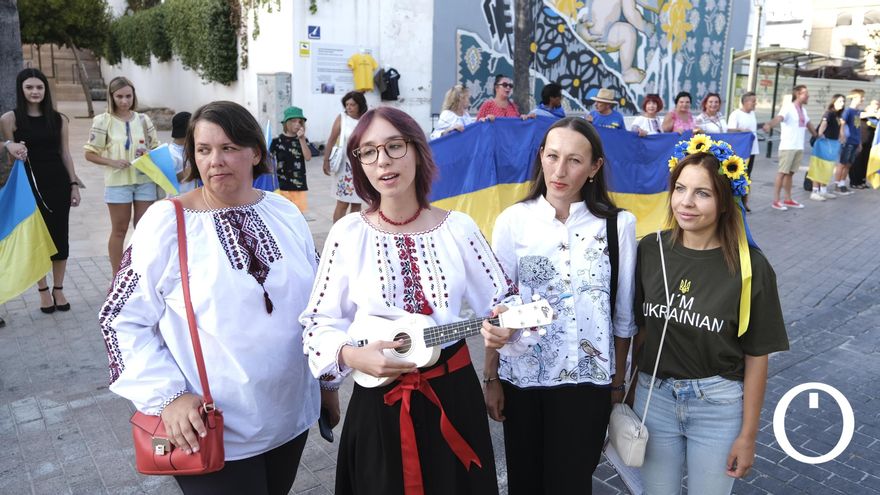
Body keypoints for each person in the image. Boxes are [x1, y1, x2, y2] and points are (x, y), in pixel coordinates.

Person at [100, 101, 326, 494]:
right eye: (204, 150)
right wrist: (168, 397)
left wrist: (326, 387)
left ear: (255, 152)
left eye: (229, 148)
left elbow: (319, 304)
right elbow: (120, 318)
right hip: (212, 428)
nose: (216, 160)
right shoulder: (166, 223)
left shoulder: (285, 213)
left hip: (290, 417)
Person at [300, 106, 515, 495]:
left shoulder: (458, 229)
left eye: (394, 146)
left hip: (452, 396)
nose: (382, 161)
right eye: (368, 151)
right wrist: (350, 355)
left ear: (417, 150)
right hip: (377, 402)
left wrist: (506, 323)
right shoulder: (347, 233)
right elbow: (318, 323)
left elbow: (504, 303)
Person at [484, 117, 637, 494]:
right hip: (523, 380)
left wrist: (617, 385)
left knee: (571, 482)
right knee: (526, 483)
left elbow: (622, 317)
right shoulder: (513, 222)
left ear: (594, 167)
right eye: (552, 156)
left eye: (574, 160)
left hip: (588, 384)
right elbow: (496, 309)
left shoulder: (618, 226)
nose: (560, 170)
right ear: (541, 157)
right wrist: (491, 378)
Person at [632, 136, 789, 495]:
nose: (686, 202)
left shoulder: (751, 266)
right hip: (653, 400)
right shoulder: (649, 250)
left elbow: (757, 356)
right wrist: (626, 394)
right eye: (680, 189)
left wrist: (748, 436)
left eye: (702, 193)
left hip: (717, 407)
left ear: (724, 202)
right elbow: (640, 330)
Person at [1, 68, 80, 313]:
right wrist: (8, 144)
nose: (35, 92)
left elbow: (65, 153)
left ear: (46, 90)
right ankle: (43, 291)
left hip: (57, 182)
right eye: (29, 87)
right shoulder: (9, 119)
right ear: (21, 90)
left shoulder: (58, 119)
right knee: (37, 238)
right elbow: (6, 147)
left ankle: (59, 288)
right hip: (28, 187)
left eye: (39, 87)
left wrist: (73, 184)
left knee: (59, 237)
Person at [84, 76, 160, 274]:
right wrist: (113, 162)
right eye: (119, 96)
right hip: (117, 183)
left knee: (144, 231)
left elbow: (156, 149)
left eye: (128, 96)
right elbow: (90, 153)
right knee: (119, 230)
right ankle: (117, 278)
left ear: (133, 96)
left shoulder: (144, 120)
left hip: (145, 181)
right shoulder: (103, 121)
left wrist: (147, 154)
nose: (124, 101)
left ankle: (141, 273)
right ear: (112, 96)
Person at [763, 85, 817, 211]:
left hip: (798, 146)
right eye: (805, 93)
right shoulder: (788, 108)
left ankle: (788, 199)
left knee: (790, 174)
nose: (808, 96)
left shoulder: (803, 110)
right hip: (788, 146)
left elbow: (808, 123)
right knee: (782, 173)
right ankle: (776, 201)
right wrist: (769, 125)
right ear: (798, 94)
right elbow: (779, 118)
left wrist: (817, 135)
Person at [323, 91, 366, 223]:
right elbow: (331, 140)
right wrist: (326, 160)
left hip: (362, 167)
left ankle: (353, 233)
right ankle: (337, 234)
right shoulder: (342, 118)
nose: (349, 107)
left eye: (352, 104)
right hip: (345, 167)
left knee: (357, 204)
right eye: (347, 104)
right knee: (342, 203)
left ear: (360, 105)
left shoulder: (366, 119)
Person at [270, 106, 312, 213]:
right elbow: (268, 160)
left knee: (298, 215)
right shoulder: (277, 141)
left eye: (300, 122)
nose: (297, 124)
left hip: (299, 185)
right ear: (286, 123)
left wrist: (302, 139)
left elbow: (308, 157)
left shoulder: (303, 140)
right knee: (282, 214)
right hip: (281, 185)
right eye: (293, 121)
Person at [807, 94, 846, 201]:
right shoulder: (829, 113)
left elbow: (839, 128)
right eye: (839, 101)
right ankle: (815, 191)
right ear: (833, 102)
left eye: (843, 101)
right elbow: (824, 123)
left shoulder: (838, 115)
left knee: (828, 167)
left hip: (832, 144)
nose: (842, 104)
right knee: (819, 166)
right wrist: (819, 134)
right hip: (824, 143)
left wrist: (841, 137)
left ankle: (823, 190)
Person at [727, 92, 759, 211]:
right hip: (740, 150)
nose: (755, 103)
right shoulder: (736, 114)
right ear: (745, 102)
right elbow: (730, 130)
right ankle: (734, 202)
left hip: (752, 150)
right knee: (737, 175)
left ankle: (744, 202)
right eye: (753, 101)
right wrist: (741, 130)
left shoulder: (753, 114)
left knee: (747, 176)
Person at [835, 89, 864, 195]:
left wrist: (859, 142)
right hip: (848, 141)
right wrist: (842, 136)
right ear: (855, 98)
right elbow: (842, 123)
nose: (863, 99)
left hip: (855, 141)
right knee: (842, 164)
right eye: (861, 97)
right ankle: (837, 185)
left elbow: (858, 128)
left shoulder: (857, 112)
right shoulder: (848, 111)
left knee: (848, 164)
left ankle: (842, 184)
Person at [850, 99, 879, 189]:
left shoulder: (876, 118)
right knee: (857, 161)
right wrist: (873, 113)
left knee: (865, 162)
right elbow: (857, 119)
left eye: (877, 105)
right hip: (859, 141)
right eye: (874, 104)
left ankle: (862, 181)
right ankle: (854, 182)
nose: (876, 106)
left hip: (870, 143)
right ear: (868, 106)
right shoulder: (863, 113)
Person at [169, 111, 197, 196]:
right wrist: (191, 169)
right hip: (179, 197)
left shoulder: (193, 148)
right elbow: (170, 179)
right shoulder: (171, 152)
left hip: (194, 195)